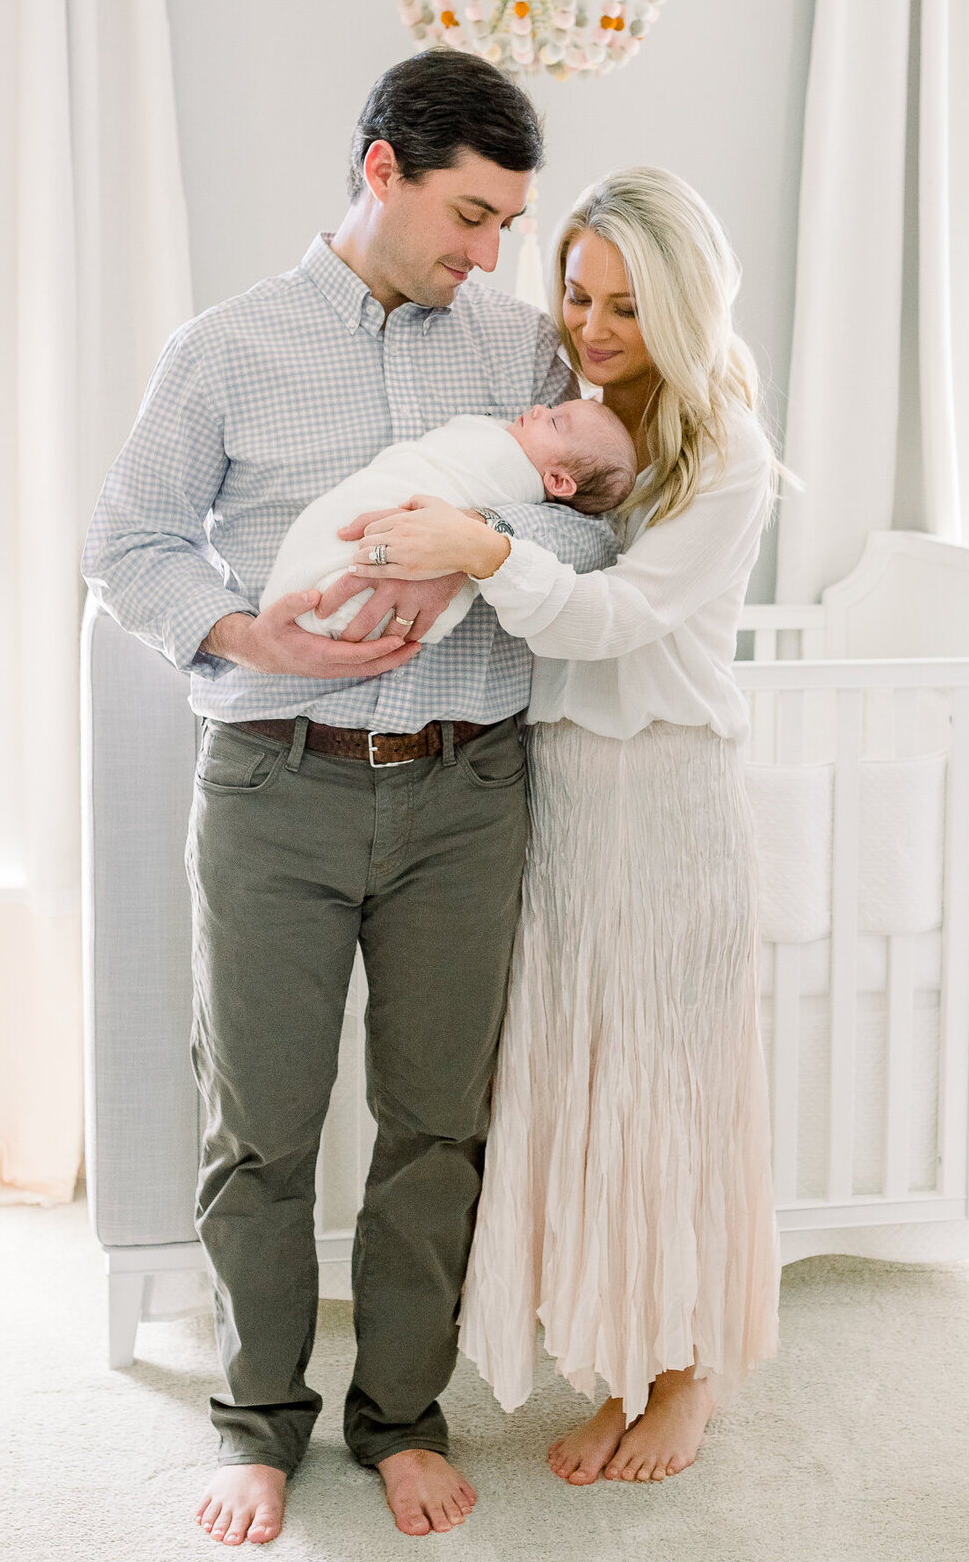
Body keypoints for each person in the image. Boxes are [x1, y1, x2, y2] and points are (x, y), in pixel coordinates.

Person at [80, 50, 617, 1546]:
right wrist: (251, 634)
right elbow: (126, 545)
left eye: (510, 221)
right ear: (380, 168)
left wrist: (488, 551)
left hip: (467, 791)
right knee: (260, 1125)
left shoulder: (520, 357)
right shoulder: (225, 348)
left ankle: (400, 1417)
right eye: (471, 214)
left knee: (437, 1124)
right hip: (274, 785)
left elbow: (593, 549)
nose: (494, 253)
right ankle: (256, 1423)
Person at [338, 164, 782, 1488]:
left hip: (668, 799)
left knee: (670, 1093)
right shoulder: (578, 425)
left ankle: (690, 1375)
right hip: (566, 796)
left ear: (685, 308)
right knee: (585, 1086)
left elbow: (615, 619)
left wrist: (478, 550)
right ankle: (618, 1363)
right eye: (578, 294)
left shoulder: (725, 451)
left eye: (625, 307)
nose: (589, 326)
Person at [261, 399, 636, 642]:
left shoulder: (508, 469)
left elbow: (600, 540)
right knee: (351, 522)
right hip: (280, 723)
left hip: (474, 749)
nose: (539, 408)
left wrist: (468, 542)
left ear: (558, 482)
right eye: (551, 407)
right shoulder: (496, 435)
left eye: (555, 422)